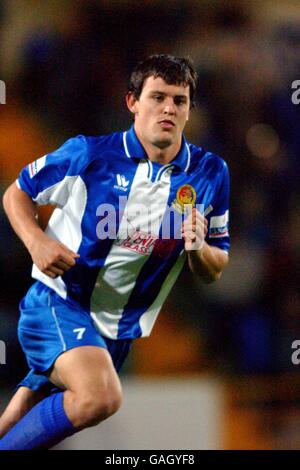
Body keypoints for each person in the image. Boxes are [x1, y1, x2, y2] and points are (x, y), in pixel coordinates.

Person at [0, 54, 230, 449]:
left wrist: (198, 247)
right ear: (132, 102)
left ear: (190, 109)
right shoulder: (90, 155)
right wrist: (37, 243)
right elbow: (18, 192)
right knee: (100, 397)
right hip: (59, 301)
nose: (169, 108)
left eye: (180, 100)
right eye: (157, 97)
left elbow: (215, 268)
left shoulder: (210, 174)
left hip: (117, 328)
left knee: (21, 413)